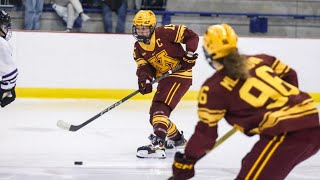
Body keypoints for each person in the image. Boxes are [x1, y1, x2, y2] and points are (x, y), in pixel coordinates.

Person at [171, 23, 320, 179]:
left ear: (208, 53)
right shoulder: (262, 60)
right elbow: (290, 74)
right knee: (250, 165)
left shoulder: (213, 88)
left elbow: (205, 134)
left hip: (285, 135)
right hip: (313, 125)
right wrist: (286, 104)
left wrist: (187, 161)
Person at [132, 10, 199, 159]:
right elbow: (144, 68)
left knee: (160, 108)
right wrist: (145, 80)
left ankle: (158, 143)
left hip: (180, 75)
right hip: (165, 79)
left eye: (144, 28)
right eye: (138, 28)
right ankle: (177, 139)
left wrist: (189, 54)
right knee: (155, 117)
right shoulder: (138, 48)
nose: (141, 31)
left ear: (152, 27)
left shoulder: (165, 32)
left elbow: (191, 36)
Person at [0, 10, 18, 108]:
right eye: (4, 25)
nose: (6, 28)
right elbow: (10, 73)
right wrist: (7, 89)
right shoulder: (1, 43)